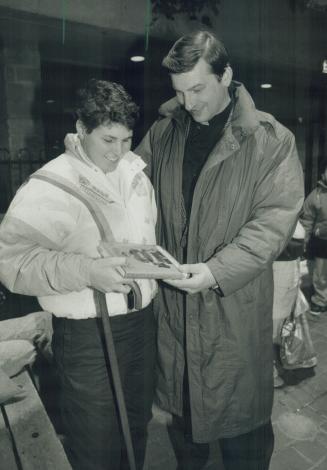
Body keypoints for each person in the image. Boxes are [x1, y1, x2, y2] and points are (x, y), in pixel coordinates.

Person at [136, 30, 304, 470]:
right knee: (185, 434)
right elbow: (128, 191)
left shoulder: (271, 140)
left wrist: (214, 272)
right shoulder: (162, 134)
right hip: (176, 320)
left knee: (243, 438)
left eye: (198, 88)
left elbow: (272, 226)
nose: (189, 103)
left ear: (225, 75)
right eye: (179, 92)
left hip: (232, 316)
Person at [0, 79, 157, 470]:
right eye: (108, 140)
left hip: (140, 326)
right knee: (96, 442)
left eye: (125, 140)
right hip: (89, 336)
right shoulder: (50, 184)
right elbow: (11, 261)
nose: (118, 152)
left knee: (137, 428)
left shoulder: (136, 174)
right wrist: (87, 271)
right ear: (82, 129)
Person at [272, 221, 305, 387]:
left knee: (280, 327)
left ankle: (276, 364)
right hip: (279, 278)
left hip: (288, 277)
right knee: (273, 328)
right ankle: (270, 371)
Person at [301, 162, 327, 316]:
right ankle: (320, 300)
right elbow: (307, 220)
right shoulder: (316, 194)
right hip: (320, 243)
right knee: (318, 273)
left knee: (322, 274)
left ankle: (320, 300)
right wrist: (303, 241)